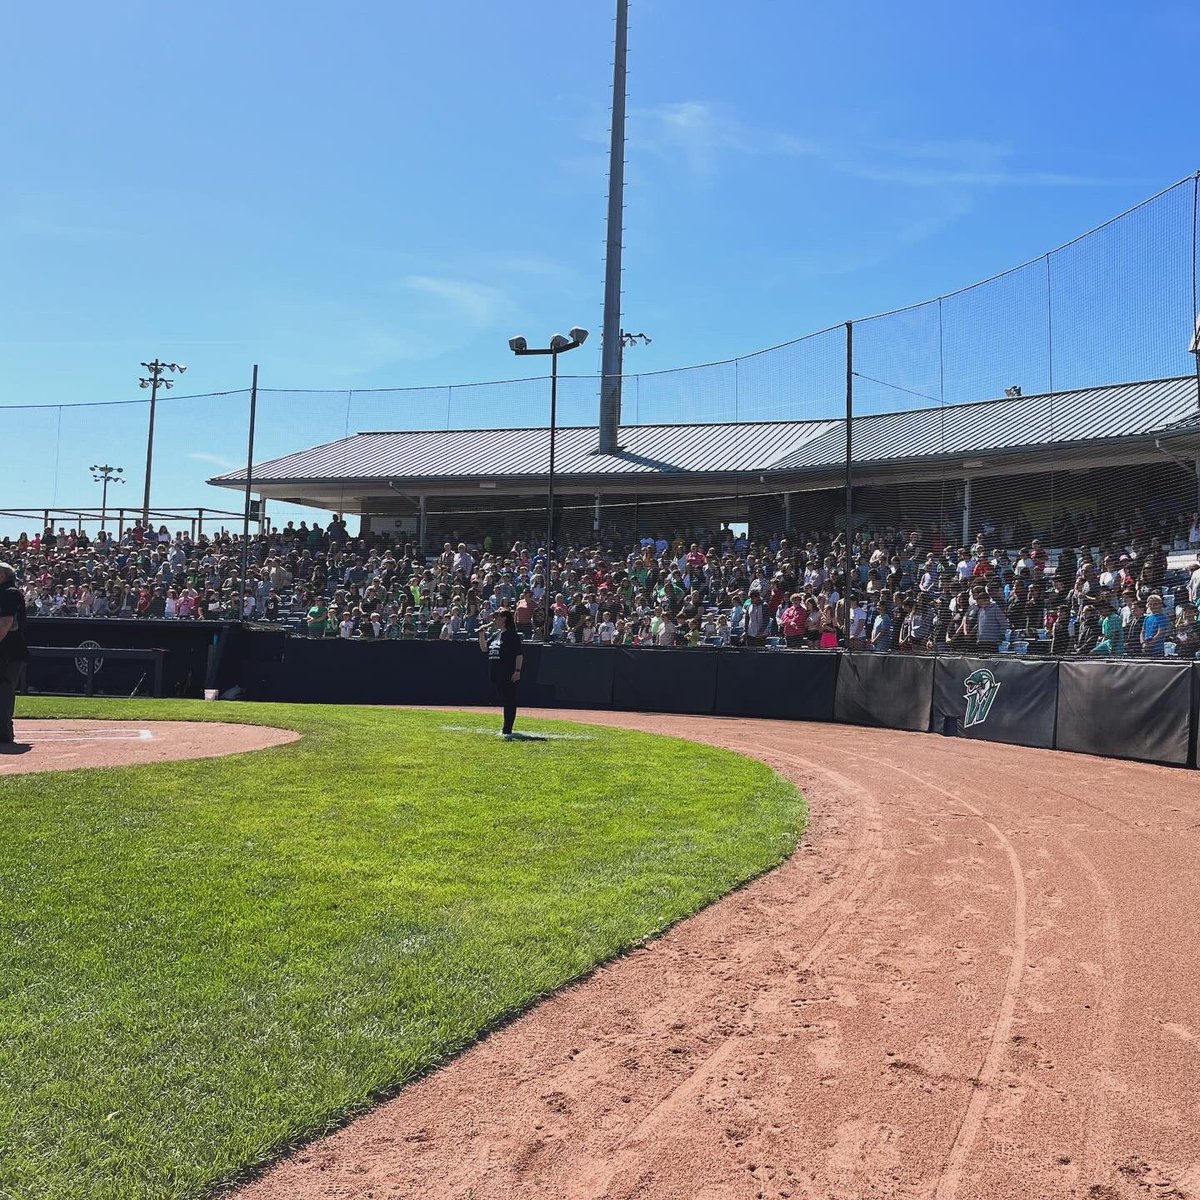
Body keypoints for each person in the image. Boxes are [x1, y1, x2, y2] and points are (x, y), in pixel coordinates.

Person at [478, 608, 523, 739]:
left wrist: (517, 671)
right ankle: (506, 729)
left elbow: (519, 654)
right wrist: (481, 634)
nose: (494, 620)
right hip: (496, 674)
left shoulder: (512, 635)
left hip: (507, 673)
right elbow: (484, 648)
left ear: (504, 619)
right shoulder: (496, 634)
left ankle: (507, 730)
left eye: (497, 618)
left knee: (509, 701)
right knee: (505, 700)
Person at [0, 562, 30, 752]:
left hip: (7, 652)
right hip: (11, 651)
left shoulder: (8, 593)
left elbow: (5, 622)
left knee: (3, 691)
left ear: (2, 575)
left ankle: (3, 734)